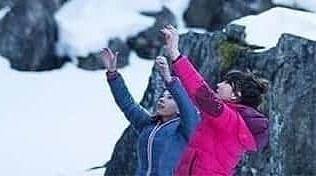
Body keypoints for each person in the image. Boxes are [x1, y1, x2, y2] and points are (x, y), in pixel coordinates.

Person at [161, 25, 270, 176]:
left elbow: (202, 93)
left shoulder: (231, 121)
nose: (219, 84)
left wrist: (175, 54)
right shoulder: (226, 118)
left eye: (226, 83)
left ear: (236, 95)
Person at [100, 48, 200, 176]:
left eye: (170, 98)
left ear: (180, 107)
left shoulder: (186, 129)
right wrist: (113, 74)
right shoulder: (147, 124)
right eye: (162, 96)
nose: (162, 99)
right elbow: (127, 104)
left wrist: (169, 79)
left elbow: (187, 107)